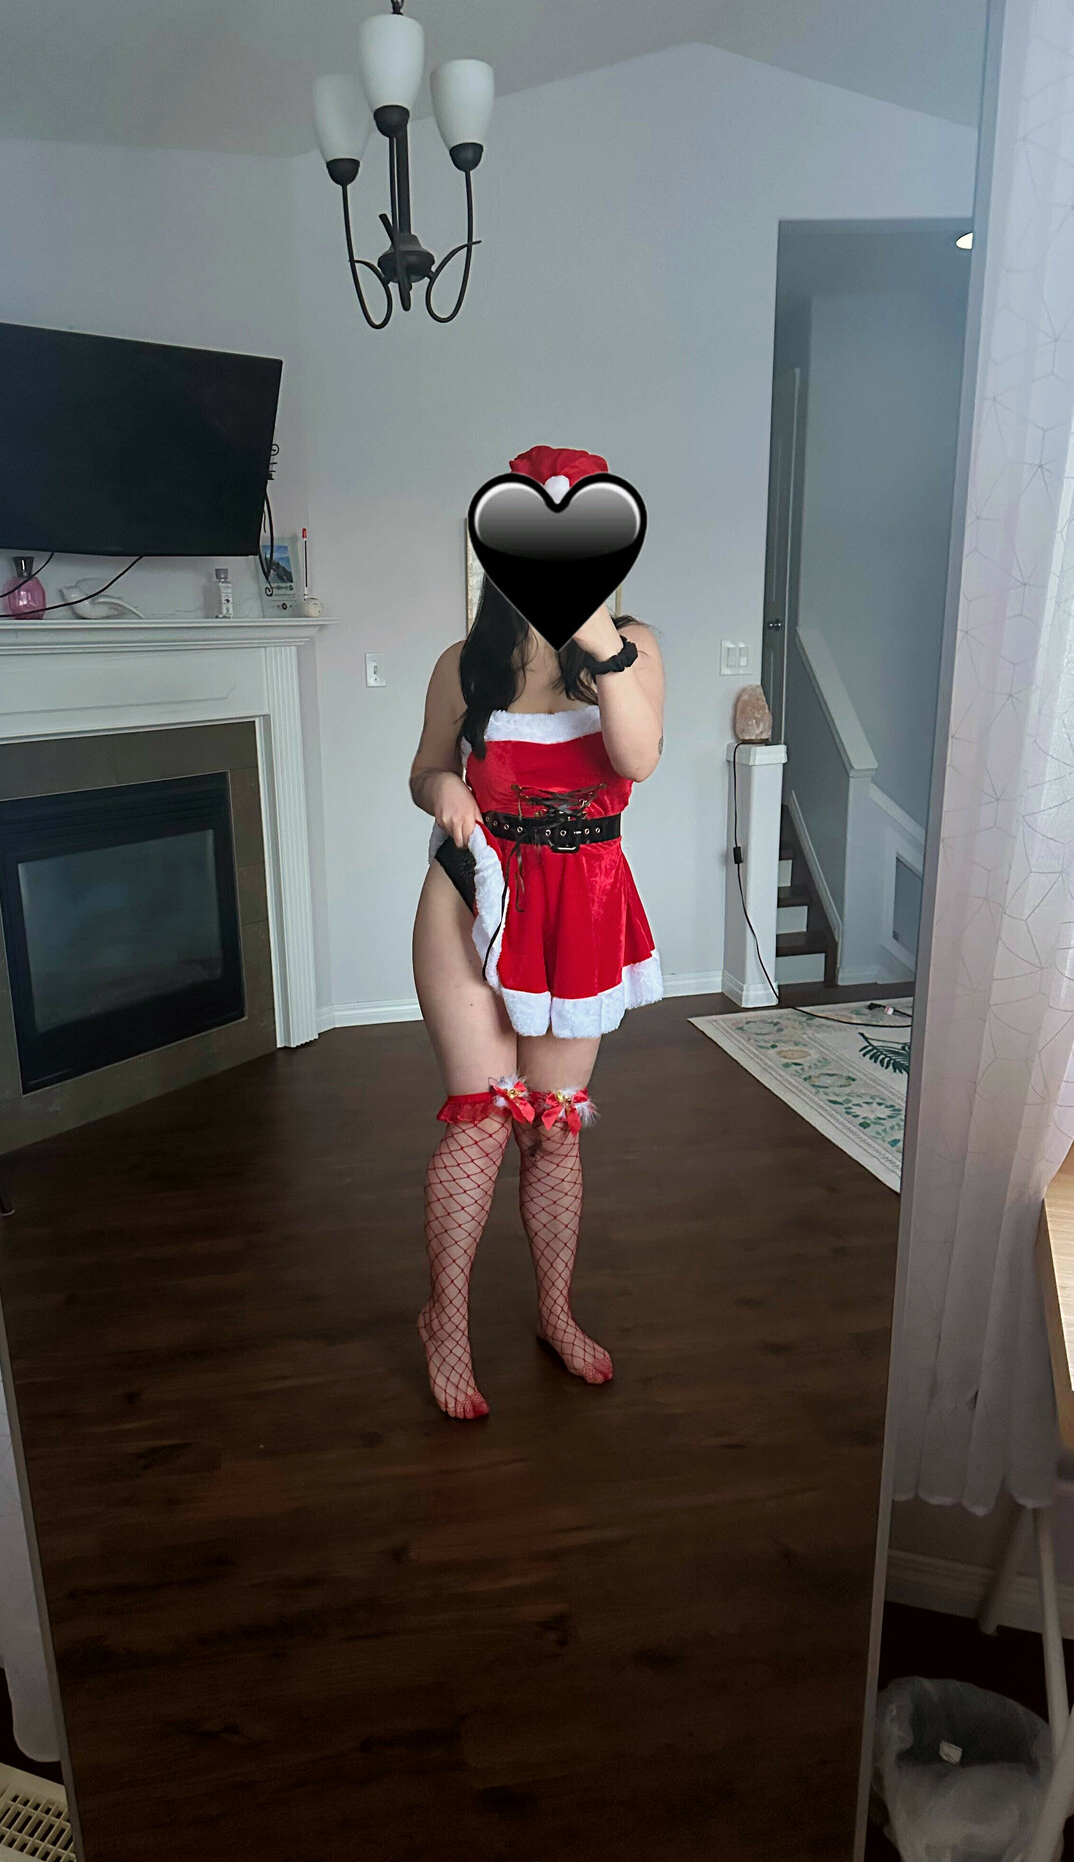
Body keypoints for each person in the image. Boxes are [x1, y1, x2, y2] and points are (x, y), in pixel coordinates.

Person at [409, 444, 665, 1420]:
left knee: (552, 1134)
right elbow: (425, 768)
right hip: (471, 894)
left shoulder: (633, 646)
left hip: (580, 909)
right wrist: (444, 791)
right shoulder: (464, 661)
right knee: (483, 1117)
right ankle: (445, 1322)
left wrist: (598, 637)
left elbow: (635, 759)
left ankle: (556, 1312)